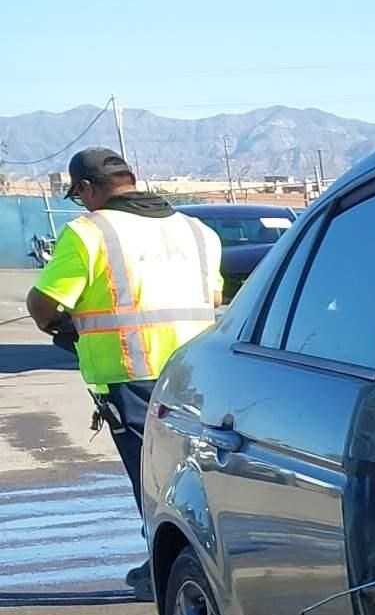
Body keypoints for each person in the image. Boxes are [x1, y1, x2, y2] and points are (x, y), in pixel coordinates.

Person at [24, 147, 226, 592]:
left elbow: (44, 304)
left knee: (152, 478)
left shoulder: (89, 233)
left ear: (88, 189)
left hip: (132, 374)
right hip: (197, 374)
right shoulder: (197, 231)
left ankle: (164, 572)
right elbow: (212, 299)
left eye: (79, 196)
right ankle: (205, 565)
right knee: (194, 473)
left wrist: (57, 323)